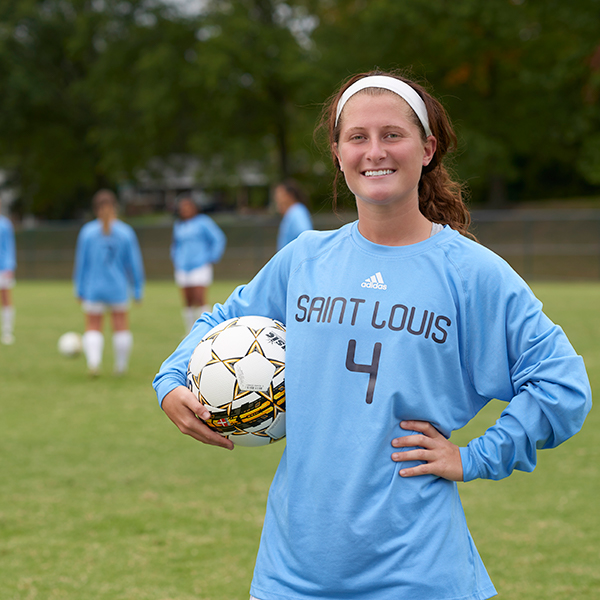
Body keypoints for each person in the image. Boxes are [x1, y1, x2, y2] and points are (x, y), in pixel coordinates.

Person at [152, 70, 592, 600]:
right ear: (337, 153)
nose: (374, 151)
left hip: (418, 575)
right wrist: (172, 379)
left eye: (393, 135)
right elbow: (217, 321)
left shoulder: (472, 273)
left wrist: (475, 456)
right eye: (357, 137)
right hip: (292, 574)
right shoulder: (305, 260)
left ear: (427, 149)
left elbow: (563, 385)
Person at [74, 189, 145, 376]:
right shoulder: (126, 232)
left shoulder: (87, 232)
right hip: (118, 288)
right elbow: (134, 264)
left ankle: (94, 363)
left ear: (95, 209)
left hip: (93, 288)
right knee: (120, 325)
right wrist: (138, 289)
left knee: (93, 326)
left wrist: (79, 289)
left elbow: (82, 263)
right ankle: (120, 367)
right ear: (116, 207)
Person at [170, 194, 226, 333]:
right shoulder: (179, 225)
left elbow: (218, 238)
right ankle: (189, 332)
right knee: (187, 301)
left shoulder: (203, 222)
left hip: (200, 265)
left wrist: (211, 257)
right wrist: (176, 258)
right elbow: (175, 245)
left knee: (200, 298)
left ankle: (205, 331)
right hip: (183, 267)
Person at [274, 179, 313, 250]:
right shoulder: (291, 213)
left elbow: (304, 235)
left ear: (289, 195)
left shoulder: (297, 211)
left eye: (280, 194)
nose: (276, 198)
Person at [0, 210, 16, 345]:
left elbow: (9, 246)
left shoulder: (5, 224)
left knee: (5, 299)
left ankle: (7, 332)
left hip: (2, 269)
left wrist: (9, 266)